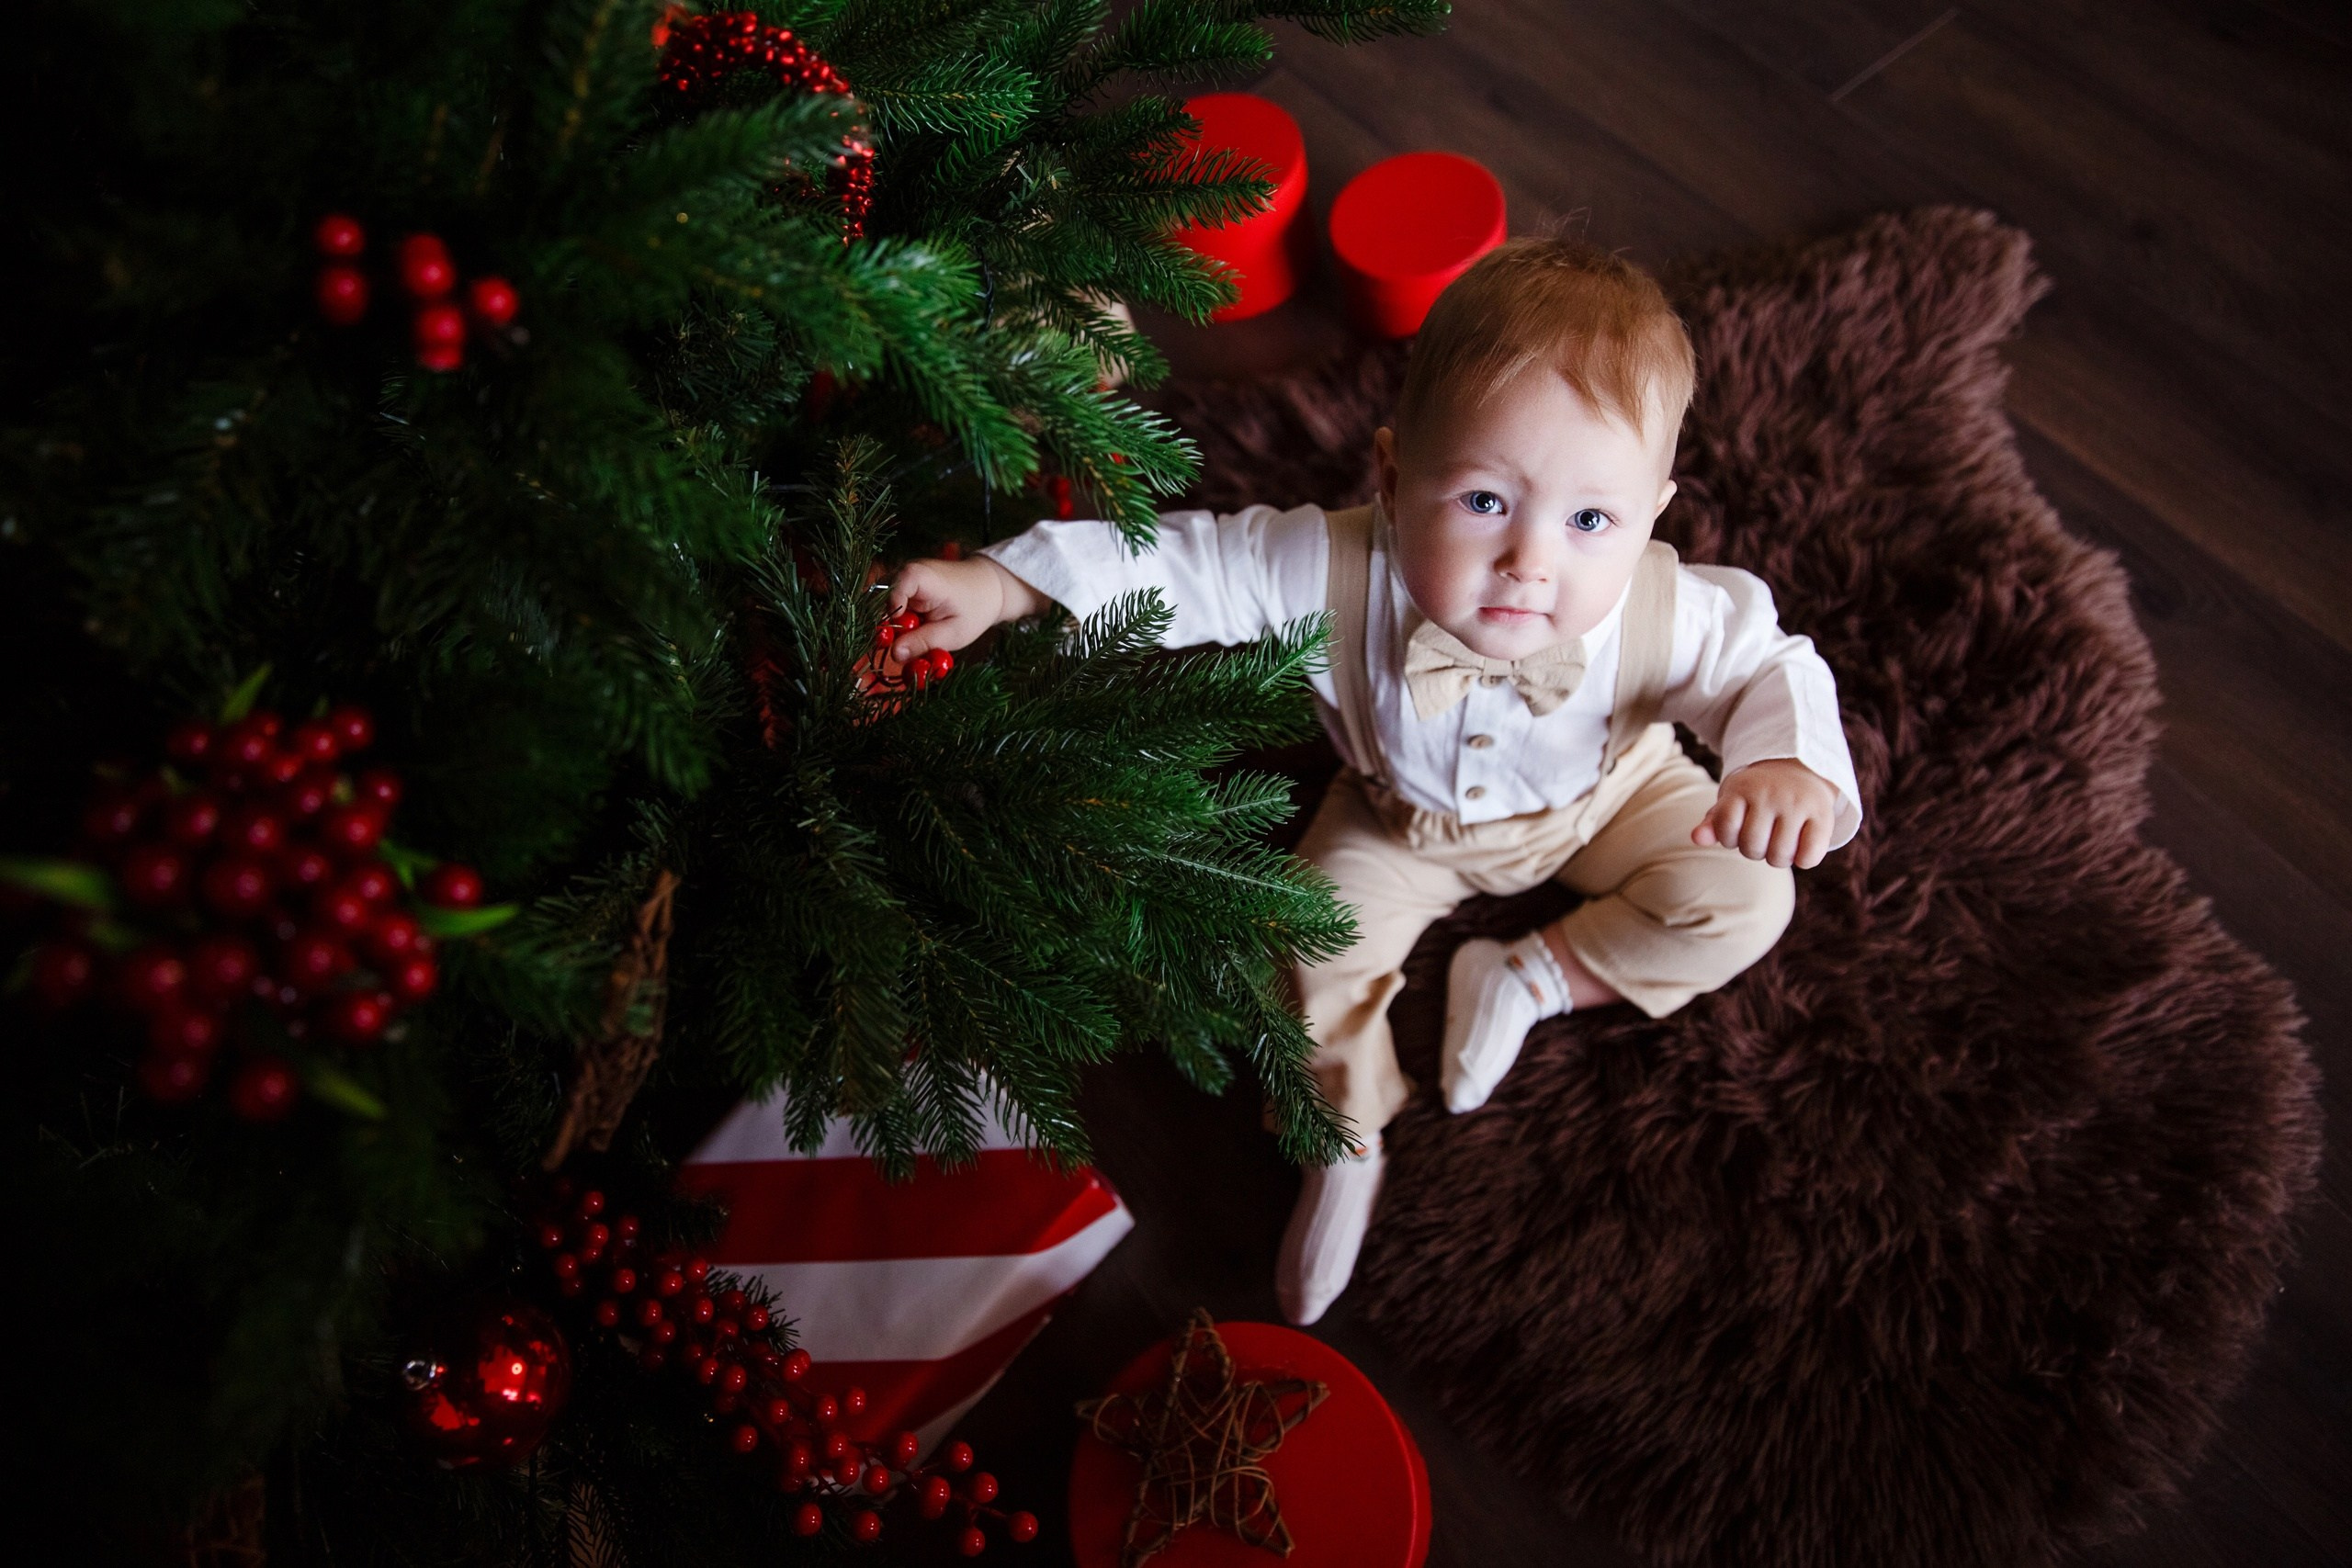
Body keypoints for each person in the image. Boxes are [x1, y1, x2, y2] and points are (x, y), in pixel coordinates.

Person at [883, 238, 1863, 1325]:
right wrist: (1006, 582)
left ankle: (1537, 975)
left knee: (1749, 895)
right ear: (1394, 482)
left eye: (1590, 520)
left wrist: (1781, 761)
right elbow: (1183, 563)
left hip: (1612, 795)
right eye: (1485, 500)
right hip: (1399, 819)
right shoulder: (1330, 569)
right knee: (1302, 947)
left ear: (1649, 518)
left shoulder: (1667, 610)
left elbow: (1768, 665)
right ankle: (1342, 1137)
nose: (1531, 560)